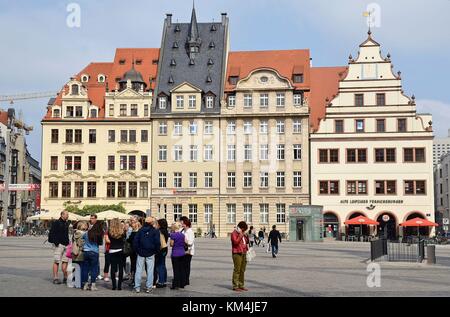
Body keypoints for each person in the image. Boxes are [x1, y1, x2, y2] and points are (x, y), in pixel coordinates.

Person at [133, 217, 160, 293]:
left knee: (138, 270)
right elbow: (157, 242)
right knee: (150, 270)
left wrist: (137, 250)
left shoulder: (140, 230)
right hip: (150, 252)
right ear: (151, 223)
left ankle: (137, 287)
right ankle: (149, 287)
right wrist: (156, 251)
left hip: (141, 252)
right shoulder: (155, 231)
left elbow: (135, 241)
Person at [48, 210, 70, 284]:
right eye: (66, 214)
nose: (68, 216)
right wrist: (56, 242)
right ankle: (55, 278)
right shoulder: (56, 223)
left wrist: (68, 243)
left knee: (65, 261)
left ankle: (65, 277)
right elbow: (51, 234)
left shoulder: (66, 223)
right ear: (62, 215)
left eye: (68, 215)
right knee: (56, 261)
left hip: (66, 245)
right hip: (59, 245)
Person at [81, 221, 103, 291]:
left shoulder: (87, 233)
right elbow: (100, 243)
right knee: (94, 269)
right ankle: (93, 285)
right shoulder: (98, 234)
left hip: (86, 252)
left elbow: (82, 238)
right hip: (94, 252)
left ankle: (85, 285)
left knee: (85, 269)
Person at [105, 218, 126, 290]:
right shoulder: (123, 231)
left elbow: (107, 241)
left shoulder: (109, 232)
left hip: (112, 250)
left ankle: (114, 286)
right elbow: (124, 241)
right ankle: (119, 286)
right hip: (120, 250)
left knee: (113, 269)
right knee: (120, 268)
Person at [231, 221, 249, 292]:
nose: (244, 231)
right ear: (241, 228)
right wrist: (241, 235)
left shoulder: (243, 233)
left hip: (244, 252)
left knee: (242, 270)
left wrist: (246, 236)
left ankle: (241, 285)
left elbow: (246, 242)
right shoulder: (234, 233)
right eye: (244, 229)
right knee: (237, 270)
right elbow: (235, 242)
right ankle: (235, 286)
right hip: (237, 253)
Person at [169, 222, 186, 290]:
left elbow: (171, 244)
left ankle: (175, 285)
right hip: (182, 253)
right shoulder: (182, 235)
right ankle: (182, 284)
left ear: (174, 227)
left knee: (176, 270)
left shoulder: (173, 235)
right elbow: (184, 243)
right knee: (181, 269)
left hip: (175, 254)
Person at [153, 218, 169, 288]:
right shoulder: (165, 230)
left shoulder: (159, 231)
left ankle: (161, 282)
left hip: (160, 249)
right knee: (163, 265)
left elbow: (158, 242)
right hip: (165, 249)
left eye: (157, 223)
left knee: (159, 266)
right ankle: (164, 280)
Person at [180, 216, 195, 287]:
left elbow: (190, 242)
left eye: (182, 222)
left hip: (188, 251)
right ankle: (183, 279)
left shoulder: (190, 231)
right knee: (183, 266)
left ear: (185, 223)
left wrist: (184, 239)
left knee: (186, 266)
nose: (181, 224)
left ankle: (186, 280)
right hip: (182, 250)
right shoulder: (182, 230)